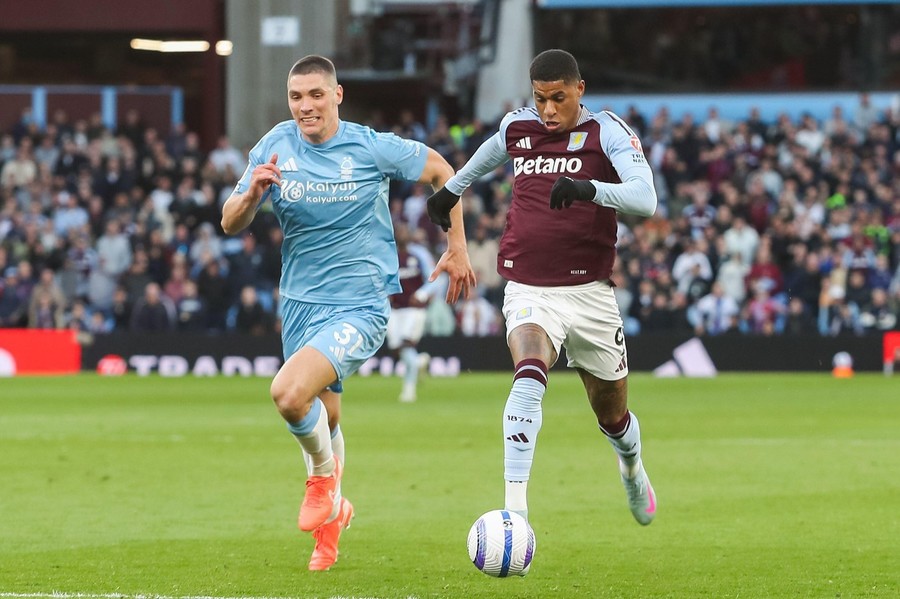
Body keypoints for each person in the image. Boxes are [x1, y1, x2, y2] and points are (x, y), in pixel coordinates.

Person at [220, 55, 475, 571]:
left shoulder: (369, 146)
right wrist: (251, 195)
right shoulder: (275, 144)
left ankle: (322, 483)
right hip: (299, 303)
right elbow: (230, 222)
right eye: (296, 97)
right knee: (326, 415)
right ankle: (332, 523)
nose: (305, 106)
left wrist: (458, 247)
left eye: (316, 94)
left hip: (360, 304)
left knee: (288, 394)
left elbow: (442, 172)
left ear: (337, 95)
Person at [425, 49, 658, 526]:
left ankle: (632, 467)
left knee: (612, 416)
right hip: (528, 286)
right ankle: (516, 513)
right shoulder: (519, 126)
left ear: (579, 89)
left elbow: (645, 198)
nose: (548, 110)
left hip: (590, 294)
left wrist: (589, 188)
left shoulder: (607, 131)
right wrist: (453, 189)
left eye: (558, 98)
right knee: (529, 373)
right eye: (540, 99)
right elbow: (494, 149)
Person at [387, 222, 437, 403]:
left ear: (409, 235)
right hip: (395, 310)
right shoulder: (389, 255)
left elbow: (434, 277)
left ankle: (409, 390)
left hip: (414, 309)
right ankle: (419, 362)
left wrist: (422, 294)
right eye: (399, 231)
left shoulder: (419, 254)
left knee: (406, 345)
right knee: (396, 349)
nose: (402, 234)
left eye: (404, 231)